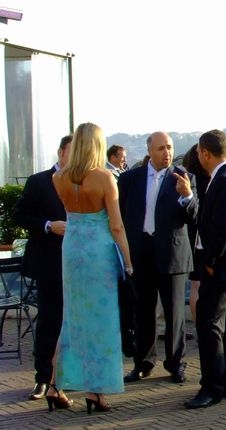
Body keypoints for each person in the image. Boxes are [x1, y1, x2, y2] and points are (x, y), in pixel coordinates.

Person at [51, 122, 133, 413]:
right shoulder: (105, 178)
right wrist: (128, 261)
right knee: (102, 321)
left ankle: (55, 385)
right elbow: (117, 225)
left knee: (72, 318)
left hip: (72, 248)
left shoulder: (59, 177)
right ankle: (96, 391)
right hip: (98, 251)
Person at [119, 131, 198, 384]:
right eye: (162, 148)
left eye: (170, 147)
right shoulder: (130, 178)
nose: (167, 153)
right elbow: (120, 215)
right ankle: (143, 363)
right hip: (140, 253)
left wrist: (187, 196)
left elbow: (194, 217)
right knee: (143, 312)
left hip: (172, 254)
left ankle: (176, 364)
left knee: (175, 314)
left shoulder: (184, 178)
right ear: (150, 151)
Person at [184, 129, 226, 409]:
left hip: (222, 266)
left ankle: (212, 386)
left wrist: (210, 263)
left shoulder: (224, 179)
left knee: (208, 322)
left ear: (205, 153)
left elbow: (222, 228)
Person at [13, 135, 71, 401]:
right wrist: (48, 225)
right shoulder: (39, 181)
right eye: (72, 151)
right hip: (49, 262)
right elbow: (20, 214)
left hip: (79, 262)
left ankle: (68, 376)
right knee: (49, 319)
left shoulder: (85, 181)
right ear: (60, 152)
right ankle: (43, 378)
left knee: (75, 320)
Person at [182, 144, 211, 324]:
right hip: (204, 237)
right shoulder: (210, 180)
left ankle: (197, 324)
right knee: (204, 285)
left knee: (195, 284)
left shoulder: (187, 179)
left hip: (190, 237)